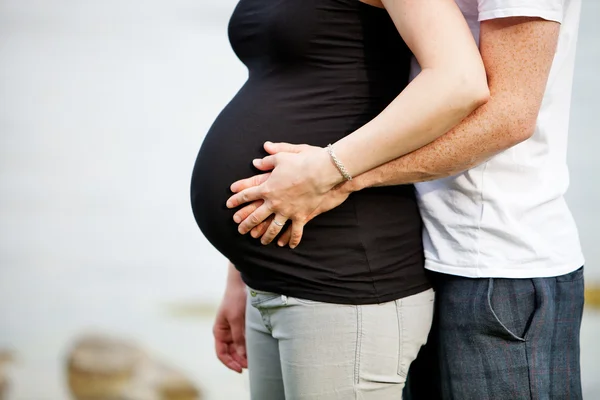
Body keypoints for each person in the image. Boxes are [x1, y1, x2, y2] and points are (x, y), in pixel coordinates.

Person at [226, 0, 586, 398]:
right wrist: (244, 269)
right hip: (407, 250)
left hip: (493, 263)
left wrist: (338, 176)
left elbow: (509, 115)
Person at [190, 0, 489, 398]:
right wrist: (239, 278)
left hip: (343, 275)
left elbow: (460, 80)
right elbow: (291, 81)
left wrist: (327, 169)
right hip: (269, 278)